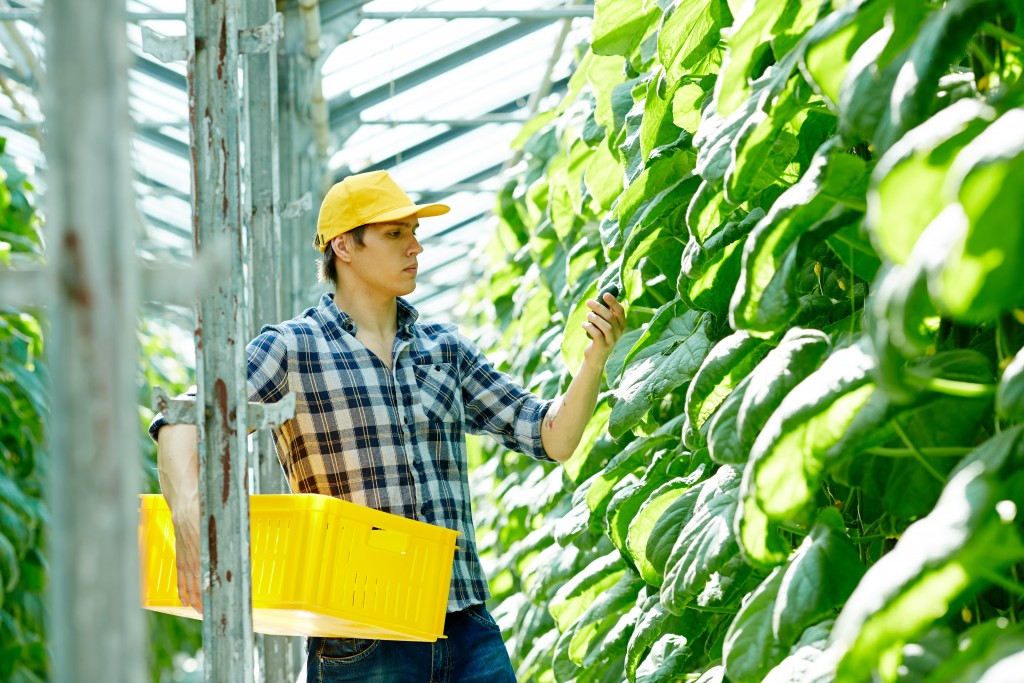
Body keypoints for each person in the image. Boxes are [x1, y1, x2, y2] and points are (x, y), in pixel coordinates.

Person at [151, 169, 626, 682]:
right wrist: (188, 517)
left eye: (415, 233)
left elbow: (551, 436)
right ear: (344, 248)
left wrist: (595, 358)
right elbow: (182, 421)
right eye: (396, 234)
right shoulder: (291, 350)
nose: (415, 248)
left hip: (466, 631)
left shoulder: (444, 349)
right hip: (362, 638)